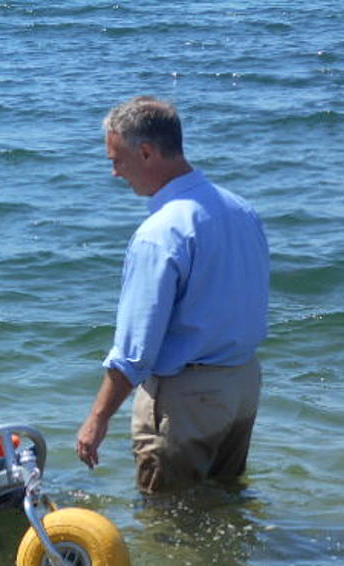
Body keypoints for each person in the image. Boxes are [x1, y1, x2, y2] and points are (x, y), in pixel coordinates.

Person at [76, 96, 270, 494]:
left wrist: (97, 420)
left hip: (187, 400)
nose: (114, 172)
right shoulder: (241, 209)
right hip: (242, 385)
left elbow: (134, 352)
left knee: (167, 524)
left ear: (146, 152)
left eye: (117, 159)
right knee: (224, 502)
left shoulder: (160, 233)